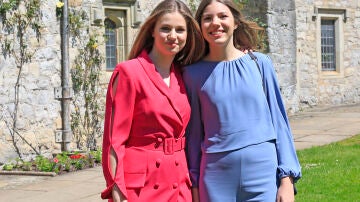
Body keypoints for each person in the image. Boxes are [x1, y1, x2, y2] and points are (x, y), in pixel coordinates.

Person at [183, 0, 302, 201]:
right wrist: (193, 185)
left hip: (263, 174)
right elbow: (193, 136)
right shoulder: (192, 74)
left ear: (236, 22)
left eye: (223, 16)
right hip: (215, 177)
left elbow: (280, 122)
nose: (215, 23)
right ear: (200, 26)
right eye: (207, 18)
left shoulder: (259, 63)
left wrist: (287, 179)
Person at [101, 0, 205, 201]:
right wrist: (116, 187)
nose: (173, 36)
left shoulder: (184, 75)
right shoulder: (129, 72)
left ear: (188, 34)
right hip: (141, 187)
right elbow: (115, 141)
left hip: (179, 182)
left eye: (180, 30)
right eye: (165, 28)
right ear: (152, 31)